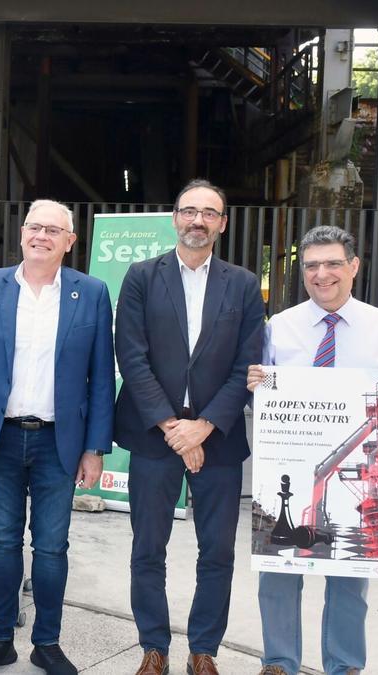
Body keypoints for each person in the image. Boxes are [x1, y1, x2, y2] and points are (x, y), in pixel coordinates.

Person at [247, 225, 378, 675]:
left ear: (353, 267)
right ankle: (278, 663)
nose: (321, 274)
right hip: (289, 463)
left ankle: (344, 665)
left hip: (359, 473)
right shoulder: (281, 326)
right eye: (311, 265)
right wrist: (256, 387)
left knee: (351, 575)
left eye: (332, 264)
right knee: (279, 571)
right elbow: (263, 399)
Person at [0, 199, 115, 675]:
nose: (41, 235)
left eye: (53, 229)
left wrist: (95, 448)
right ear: (22, 234)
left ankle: (47, 643)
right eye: (34, 227)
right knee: (0, 543)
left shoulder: (92, 292)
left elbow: (102, 377)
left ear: (70, 241)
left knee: (51, 547)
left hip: (58, 444)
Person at [114, 179, 265, 675]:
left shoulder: (242, 284)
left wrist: (202, 427)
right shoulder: (141, 276)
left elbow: (248, 364)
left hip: (217, 439)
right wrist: (172, 427)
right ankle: (153, 648)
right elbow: (131, 357)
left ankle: (204, 651)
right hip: (153, 435)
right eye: (188, 211)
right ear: (175, 218)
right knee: (147, 548)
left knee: (217, 551)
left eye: (209, 213)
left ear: (222, 223)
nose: (197, 220)